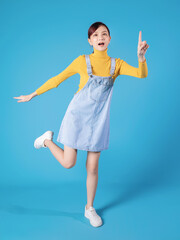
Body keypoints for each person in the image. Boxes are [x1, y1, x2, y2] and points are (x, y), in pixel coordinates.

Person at [13, 22, 149, 227]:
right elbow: (57, 79)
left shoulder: (117, 64)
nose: (100, 38)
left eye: (104, 34)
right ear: (90, 41)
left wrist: (140, 58)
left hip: (99, 121)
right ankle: (47, 141)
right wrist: (33, 94)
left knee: (92, 167)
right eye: (95, 35)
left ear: (110, 39)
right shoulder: (82, 61)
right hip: (76, 118)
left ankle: (89, 208)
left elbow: (141, 74)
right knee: (69, 163)